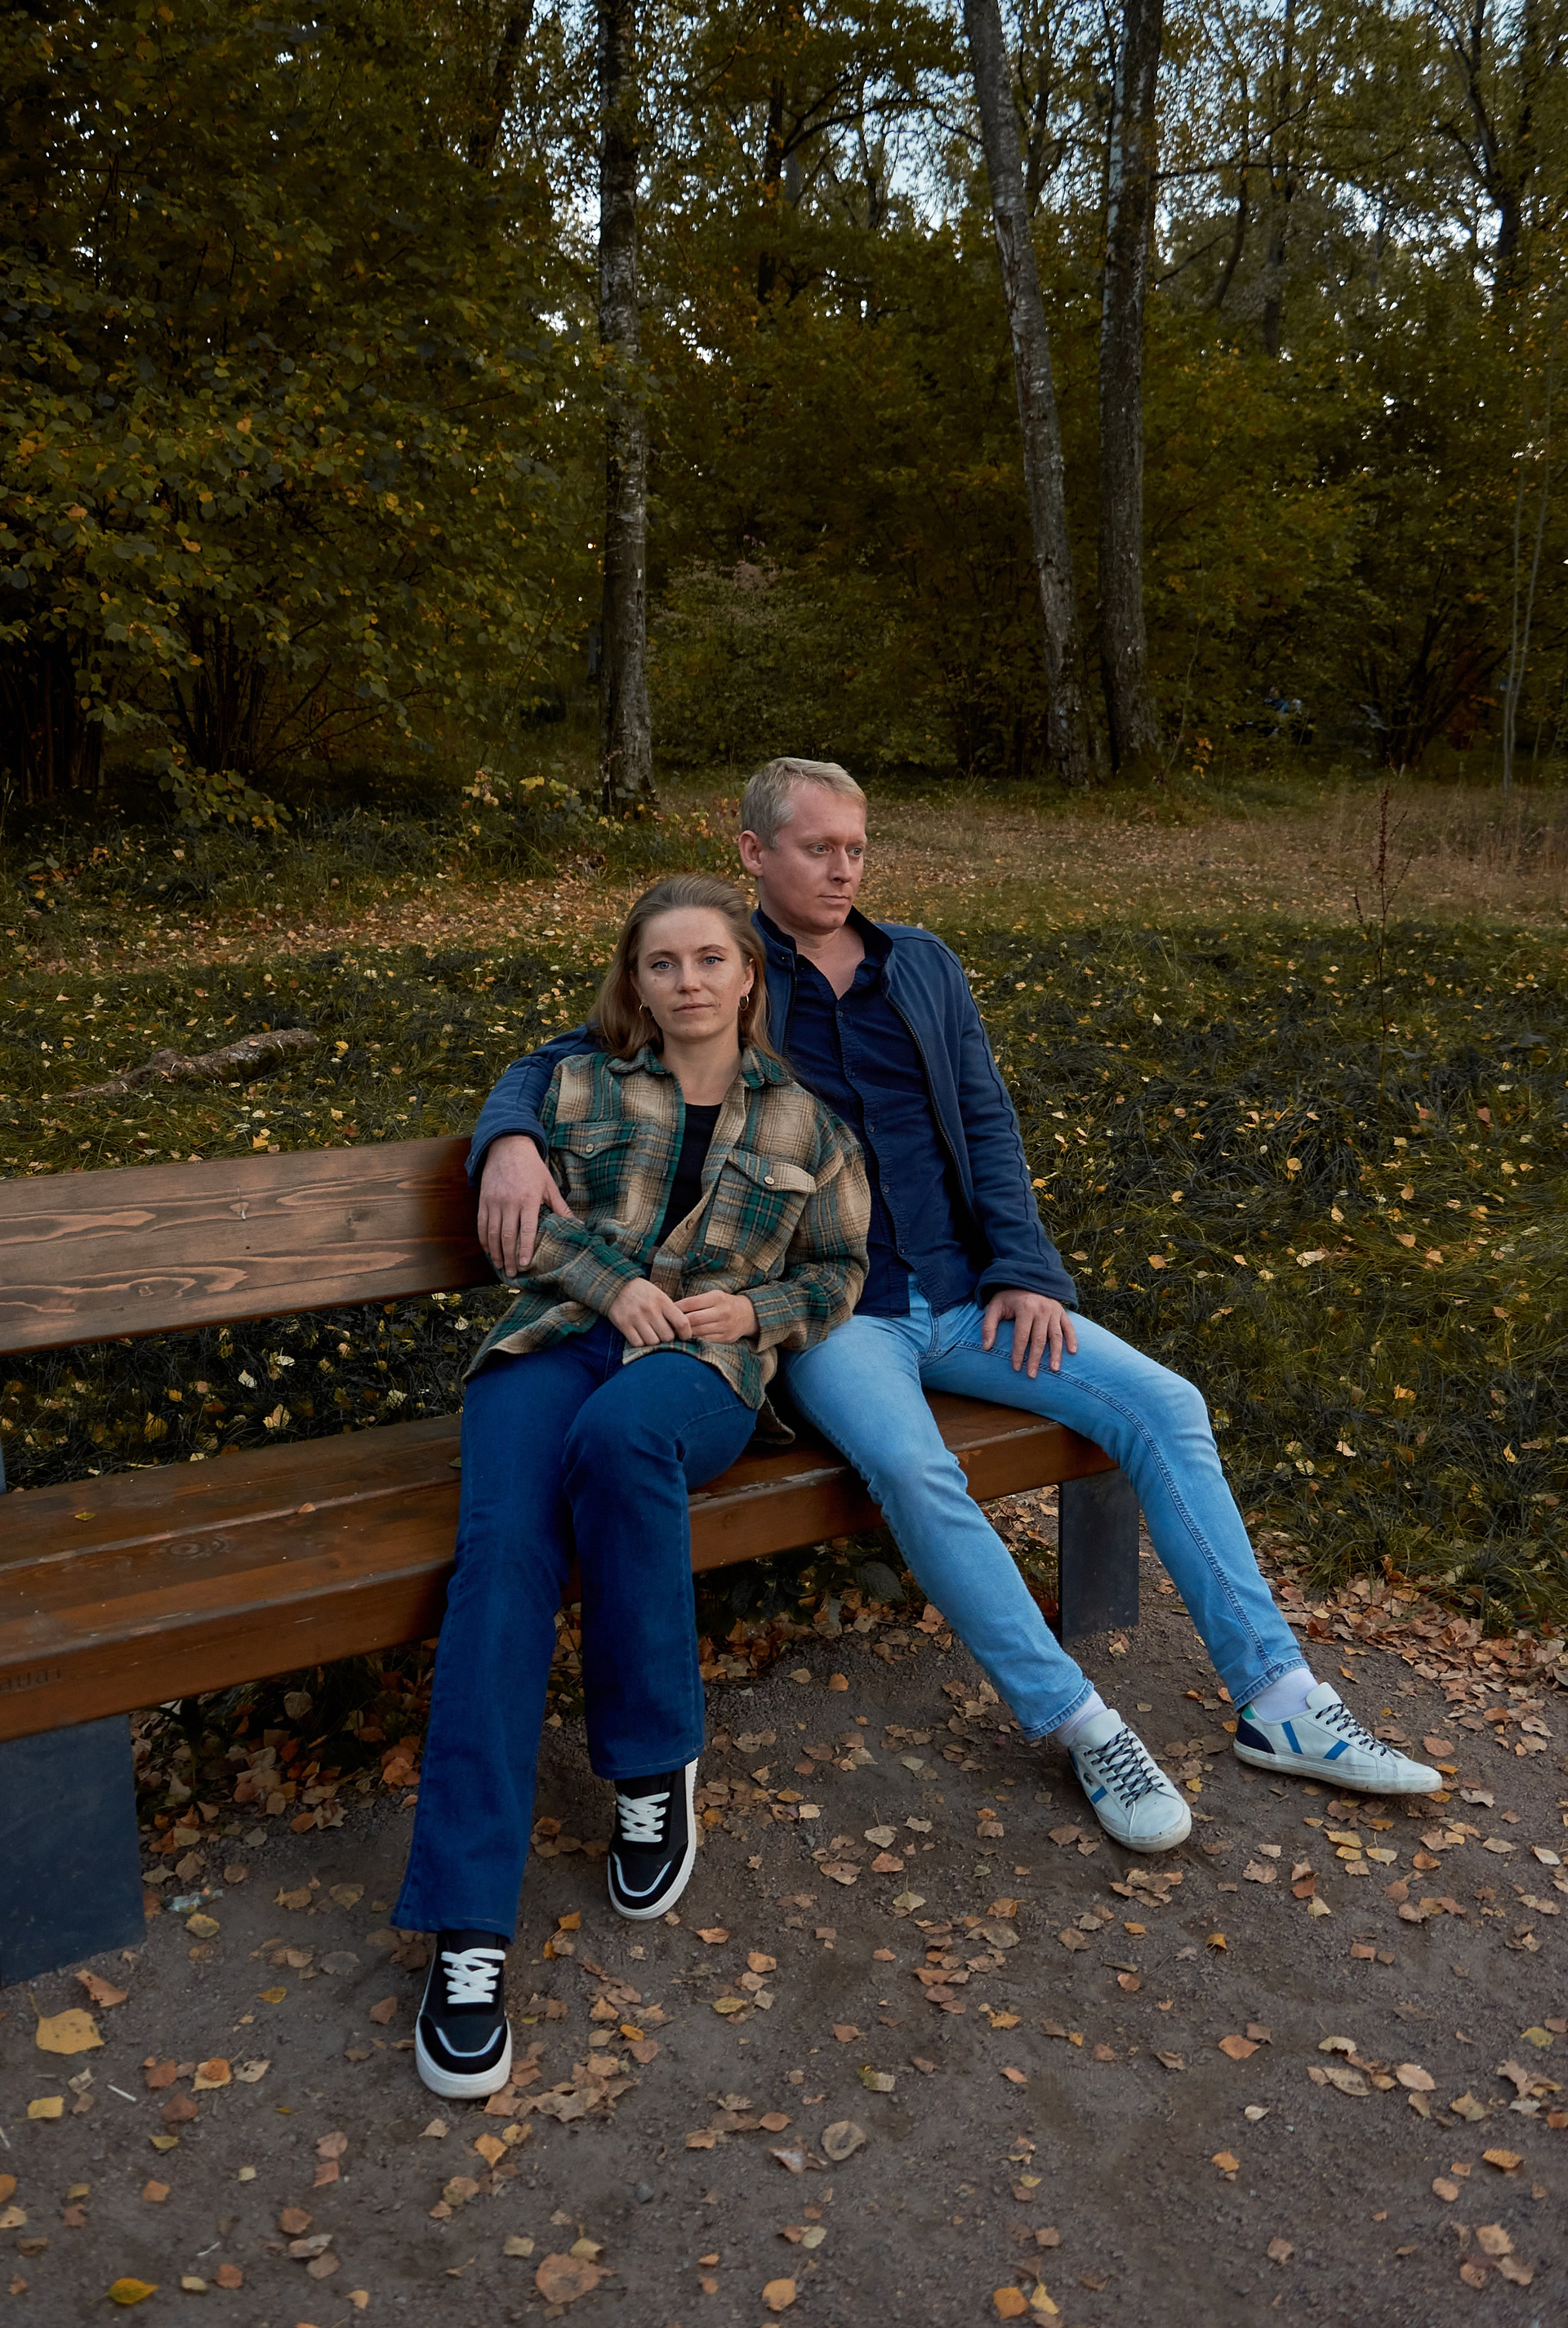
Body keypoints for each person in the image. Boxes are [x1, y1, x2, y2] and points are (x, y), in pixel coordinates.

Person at [472, 760, 1440, 1872]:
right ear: (753, 854)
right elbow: (576, 1049)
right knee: (916, 1467)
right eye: (818, 848)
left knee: (1167, 1405)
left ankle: (1281, 1698)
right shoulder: (728, 970)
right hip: (840, 1313)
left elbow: (985, 1116)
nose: (844, 869)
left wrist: (1025, 1269)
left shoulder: (920, 964)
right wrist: (508, 1136)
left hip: (970, 1294)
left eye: (857, 848)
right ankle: (1082, 1724)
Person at [394, 872, 869, 2100]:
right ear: (636, 983)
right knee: (501, 1560)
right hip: (556, 1343)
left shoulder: (809, 1125)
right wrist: (614, 1287)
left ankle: (654, 1762)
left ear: (749, 975)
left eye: (711, 958)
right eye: (663, 963)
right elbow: (525, 1227)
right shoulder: (574, 1089)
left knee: (619, 1439)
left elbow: (838, 1271)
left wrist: (755, 1311)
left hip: (700, 1372)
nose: (689, 981)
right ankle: (467, 1933)